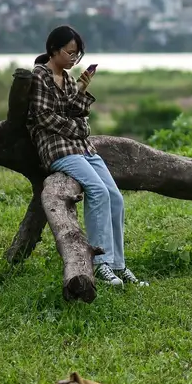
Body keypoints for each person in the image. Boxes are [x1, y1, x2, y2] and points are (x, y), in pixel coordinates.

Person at [26, 25, 147, 287]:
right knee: (98, 191)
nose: (73, 59)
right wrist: (78, 128)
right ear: (54, 50)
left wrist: (81, 87)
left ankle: (118, 263)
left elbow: (77, 113)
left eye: (77, 55)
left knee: (115, 197)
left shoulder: (68, 79)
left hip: (81, 147)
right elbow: (44, 118)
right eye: (70, 53)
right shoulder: (39, 77)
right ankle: (100, 263)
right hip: (56, 148)